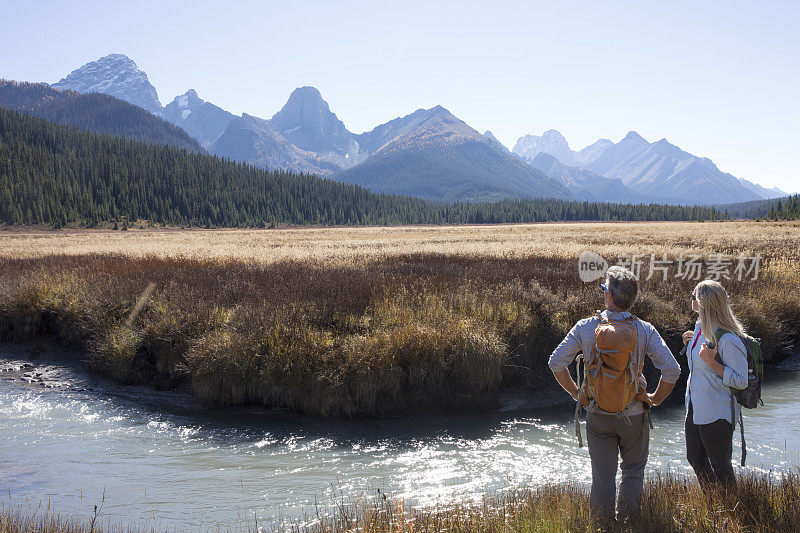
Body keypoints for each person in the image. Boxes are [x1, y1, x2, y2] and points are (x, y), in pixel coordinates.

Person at [549, 266, 681, 524]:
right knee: (633, 472)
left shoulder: (586, 327)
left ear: (608, 296)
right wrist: (654, 399)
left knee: (602, 476)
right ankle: (629, 524)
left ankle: (602, 526)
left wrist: (578, 393)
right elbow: (672, 370)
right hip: (634, 414)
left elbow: (556, 363)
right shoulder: (644, 329)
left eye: (602, 289)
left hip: (598, 414)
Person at [681, 280, 748, 488]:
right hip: (695, 408)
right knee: (695, 459)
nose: (690, 299)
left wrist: (711, 363)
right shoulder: (700, 330)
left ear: (702, 302)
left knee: (721, 466)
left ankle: (733, 511)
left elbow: (741, 380)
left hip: (717, 411)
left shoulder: (728, 339)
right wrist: (690, 343)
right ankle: (713, 506)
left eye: (693, 295)